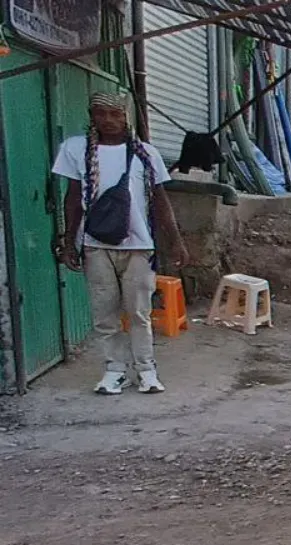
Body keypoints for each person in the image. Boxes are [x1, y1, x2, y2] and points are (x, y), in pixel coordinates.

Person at [50, 91, 189, 395]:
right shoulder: (75, 149)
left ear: (127, 117)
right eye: (100, 113)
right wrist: (69, 241)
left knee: (139, 313)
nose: (108, 120)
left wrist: (175, 241)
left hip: (138, 245)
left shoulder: (145, 154)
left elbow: (160, 201)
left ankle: (146, 370)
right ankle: (115, 371)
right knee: (105, 314)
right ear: (91, 116)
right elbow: (72, 199)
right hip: (95, 244)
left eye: (115, 113)